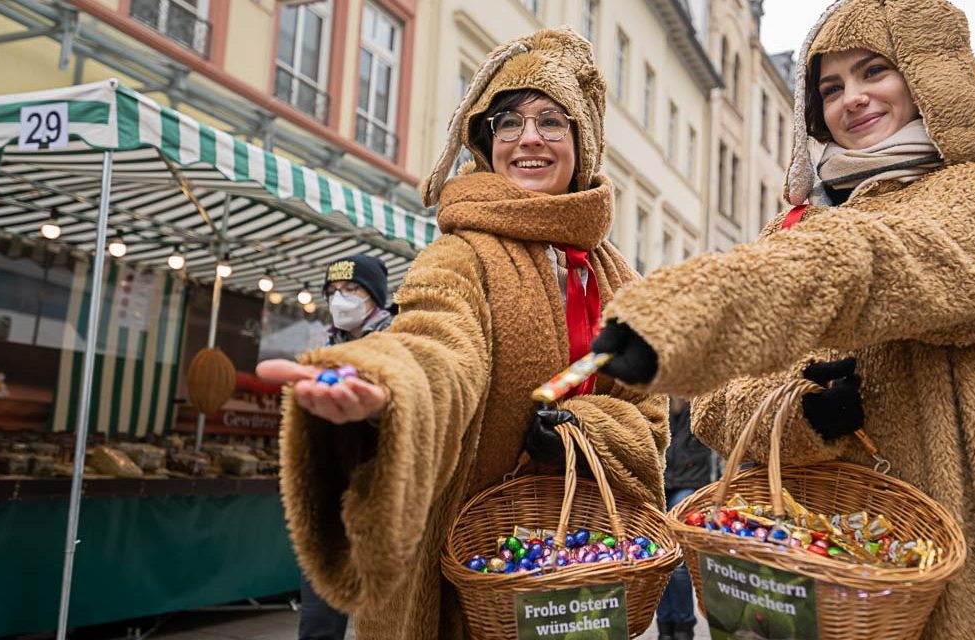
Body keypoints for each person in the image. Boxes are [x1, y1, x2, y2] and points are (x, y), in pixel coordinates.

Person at [590, 1, 975, 638]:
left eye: (874, 71)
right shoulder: (794, 226)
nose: (852, 99)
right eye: (831, 88)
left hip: (940, 578)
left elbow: (885, 260)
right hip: (800, 569)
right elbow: (717, 406)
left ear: (924, 74)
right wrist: (803, 416)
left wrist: (703, 308)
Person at [257, 28, 668, 639]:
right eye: (509, 122)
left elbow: (650, 420)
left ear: (582, 141)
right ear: (487, 141)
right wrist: (387, 384)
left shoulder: (618, 278)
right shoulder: (460, 254)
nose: (529, 137)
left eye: (551, 121)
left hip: (584, 571)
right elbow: (436, 338)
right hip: (461, 586)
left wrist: (584, 433)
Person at [295, 254, 394, 640]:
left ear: (374, 296)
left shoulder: (399, 340)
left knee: (389, 616)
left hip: (386, 494)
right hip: (330, 489)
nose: (340, 299)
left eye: (351, 289)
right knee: (319, 614)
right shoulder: (324, 348)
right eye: (333, 290)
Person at [656, 398, 708, 640]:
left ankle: (684, 625)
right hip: (658, 485)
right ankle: (665, 625)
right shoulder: (656, 401)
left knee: (677, 560)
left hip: (689, 483)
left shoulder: (700, 402)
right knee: (658, 558)